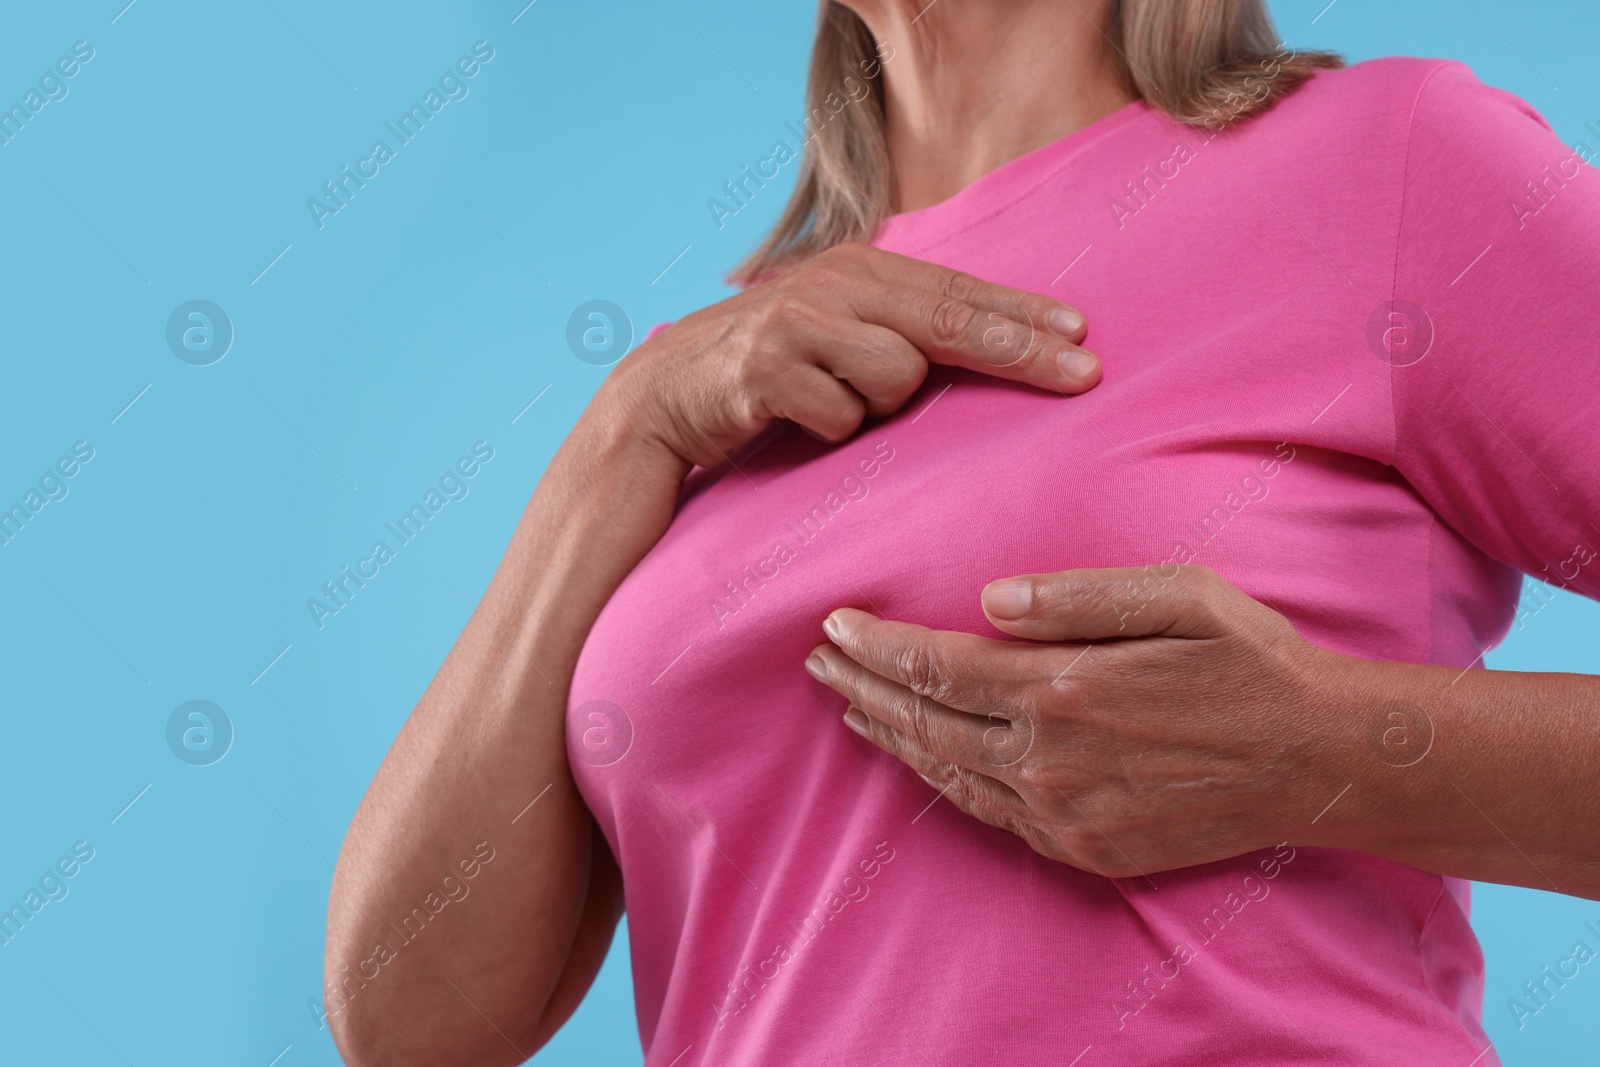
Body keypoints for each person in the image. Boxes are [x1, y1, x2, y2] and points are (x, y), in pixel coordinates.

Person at [326, 1, 1600, 1064]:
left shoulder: (1394, 165)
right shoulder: (721, 383)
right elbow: (407, 1021)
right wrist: (621, 432)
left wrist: (1329, 750)